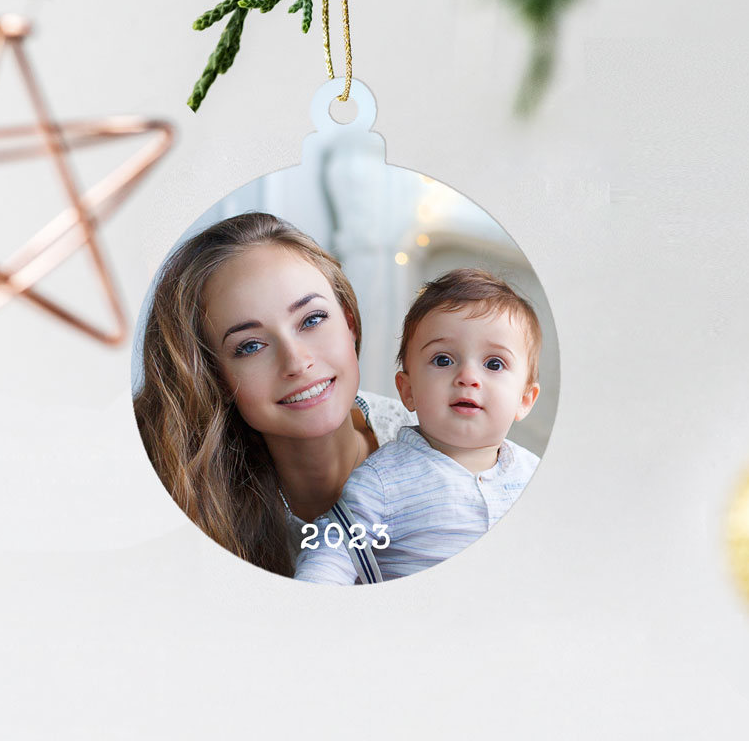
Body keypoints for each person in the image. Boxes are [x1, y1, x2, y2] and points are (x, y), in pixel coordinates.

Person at [134, 211, 411, 577]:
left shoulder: (448, 449)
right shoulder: (183, 504)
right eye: (250, 346)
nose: (296, 362)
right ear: (215, 378)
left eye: (312, 319)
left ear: (349, 323)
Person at [295, 267, 542, 584]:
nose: (468, 377)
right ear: (407, 390)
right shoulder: (384, 480)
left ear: (524, 398)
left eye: (494, 363)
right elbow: (333, 552)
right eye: (443, 360)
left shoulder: (531, 473)